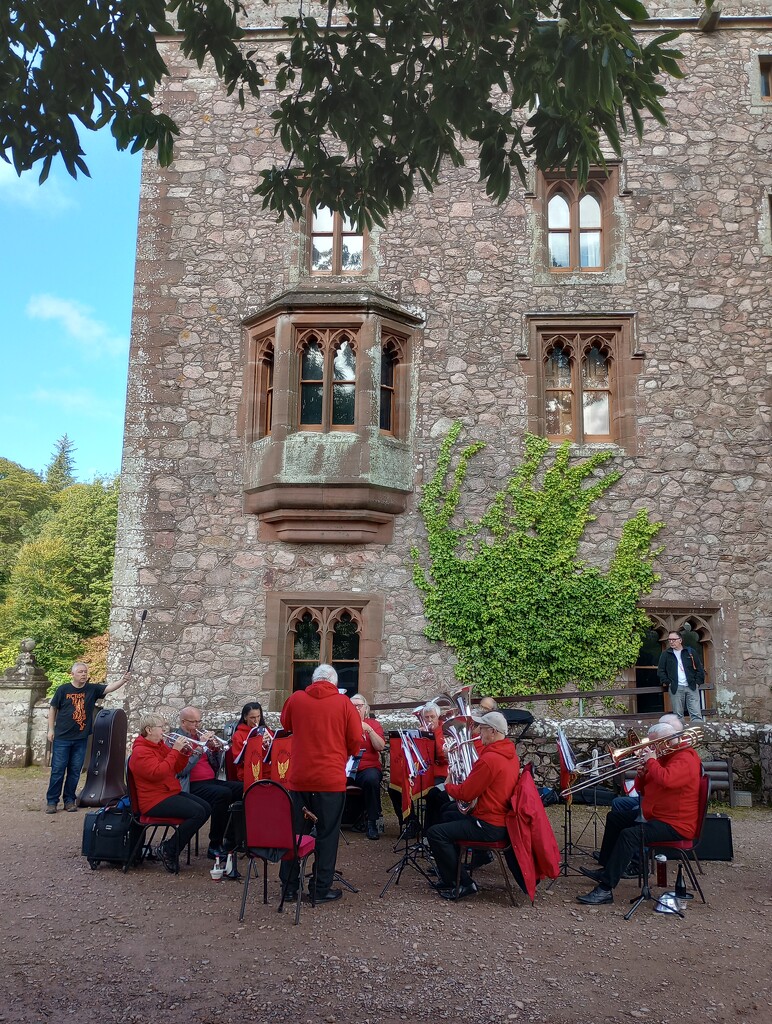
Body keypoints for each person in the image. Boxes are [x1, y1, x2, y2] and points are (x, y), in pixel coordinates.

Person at [577, 721, 702, 905]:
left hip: (676, 824)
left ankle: (605, 889)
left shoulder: (686, 758)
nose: (650, 748)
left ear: (665, 741)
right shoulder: (664, 757)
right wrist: (642, 774)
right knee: (615, 818)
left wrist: (651, 761)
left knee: (630, 835)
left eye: (653, 744)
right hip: (658, 815)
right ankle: (606, 866)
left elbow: (667, 780)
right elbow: (641, 790)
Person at [279, 664, 361, 903]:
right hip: (330, 779)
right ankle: (320, 888)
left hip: (300, 778)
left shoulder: (296, 699)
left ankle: (289, 887)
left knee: (295, 833)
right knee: (327, 834)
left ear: (313, 680)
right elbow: (355, 740)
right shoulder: (344, 703)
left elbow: (286, 725)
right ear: (334, 683)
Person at [426, 711, 520, 901]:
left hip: (488, 824)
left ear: (492, 732)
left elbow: (467, 793)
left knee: (435, 833)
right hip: (497, 818)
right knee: (447, 814)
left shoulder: (490, 759)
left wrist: (449, 784)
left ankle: (465, 883)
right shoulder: (509, 753)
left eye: (482, 729)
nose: (477, 732)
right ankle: (449, 875)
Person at [129, 714, 211, 873]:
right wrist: (174, 751)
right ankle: (169, 849)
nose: (164, 731)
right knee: (197, 813)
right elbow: (158, 773)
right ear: (149, 729)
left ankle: (169, 847)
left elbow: (177, 768)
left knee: (206, 807)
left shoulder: (159, 746)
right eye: (161, 727)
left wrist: (184, 753)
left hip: (167, 793)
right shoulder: (141, 751)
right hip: (153, 801)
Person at [45, 662, 130, 813]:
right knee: (58, 770)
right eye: (80, 672)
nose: (83, 674)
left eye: (85, 672)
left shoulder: (92, 689)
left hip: (81, 738)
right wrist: (51, 729)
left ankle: (70, 800)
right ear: (73, 674)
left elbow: (108, 688)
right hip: (62, 737)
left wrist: (123, 680)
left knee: (75, 770)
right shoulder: (63, 689)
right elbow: (53, 708)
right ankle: (52, 801)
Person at [177, 706, 242, 858]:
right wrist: (200, 747)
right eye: (193, 722)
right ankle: (215, 845)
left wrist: (215, 750)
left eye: (199, 721)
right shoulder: (178, 739)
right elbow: (182, 770)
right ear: (183, 722)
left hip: (210, 780)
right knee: (223, 794)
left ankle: (232, 839)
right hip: (192, 785)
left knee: (244, 789)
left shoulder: (200, 737)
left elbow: (214, 765)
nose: (198, 725)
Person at [349, 694, 386, 840]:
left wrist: (369, 730)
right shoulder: (343, 723)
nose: (356, 708)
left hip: (367, 768)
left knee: (371, 780)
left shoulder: (373, 724)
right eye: (353, 706)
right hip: (346, 768)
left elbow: (381, 747)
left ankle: (372, 823)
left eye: (359, 706)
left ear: (366, 708)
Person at [658, 631, 705, 722]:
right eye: (669, 640)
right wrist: (668, 683)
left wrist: (697, 683)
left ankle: (698, 734)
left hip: (691, 686)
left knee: (696, 714)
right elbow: (661, 671)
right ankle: (681, 736)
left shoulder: (690, 652)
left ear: (680, 640)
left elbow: (699, 668)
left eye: (674, 639)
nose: (671, 642)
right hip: (676, 687)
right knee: (678, 716)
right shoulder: (666, 654)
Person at [230, 702, 271, 783]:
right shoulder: (238, 735)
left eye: (258, 716)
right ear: (245, 717)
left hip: (268, 772)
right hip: (249, 773)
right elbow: (239, 761)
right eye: (252, 717)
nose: (256, 720)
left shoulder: (265, 730)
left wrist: (269, 745)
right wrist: (257, 744)